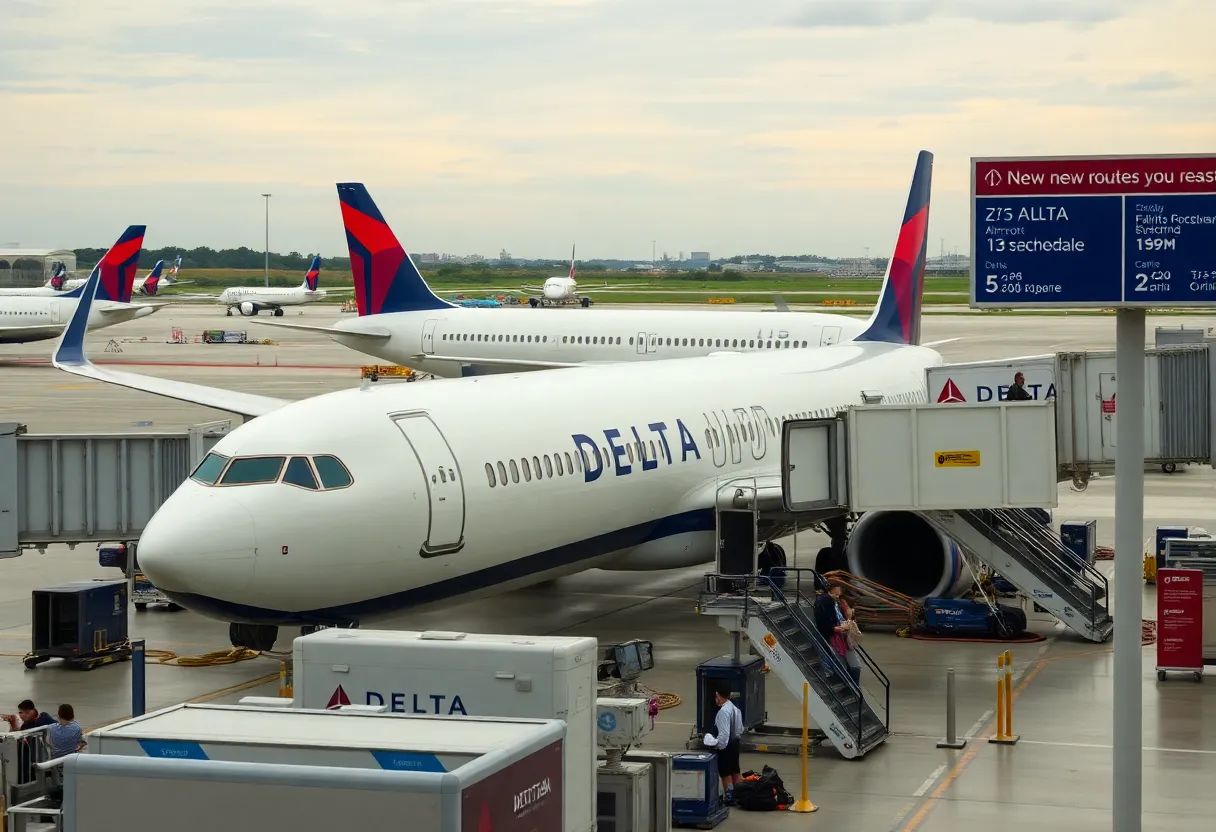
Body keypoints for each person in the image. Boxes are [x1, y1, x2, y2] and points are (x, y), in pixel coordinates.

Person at [706, 687, 744, 804]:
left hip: (726, 746)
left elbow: (724, 735)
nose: (715, 699)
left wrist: (717, 745)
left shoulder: (723, 712)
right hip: (735, 743)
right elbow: (740, 729)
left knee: (725, 772)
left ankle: (729, 796)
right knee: (735, 770)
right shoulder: (735, 709)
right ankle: (741, 794)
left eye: (716, 696)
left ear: (719, 696)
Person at [814, 583, 852, 679]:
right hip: (828, 632)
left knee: (828, 652)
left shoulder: (831, 600)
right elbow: (825, 617)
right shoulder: (828, 600)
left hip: (829, 630)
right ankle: (830, 673)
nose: (839, 592)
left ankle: (830, 672)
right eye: (838, 590)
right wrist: (834, 627)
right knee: (829, 652)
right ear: (834, 589)